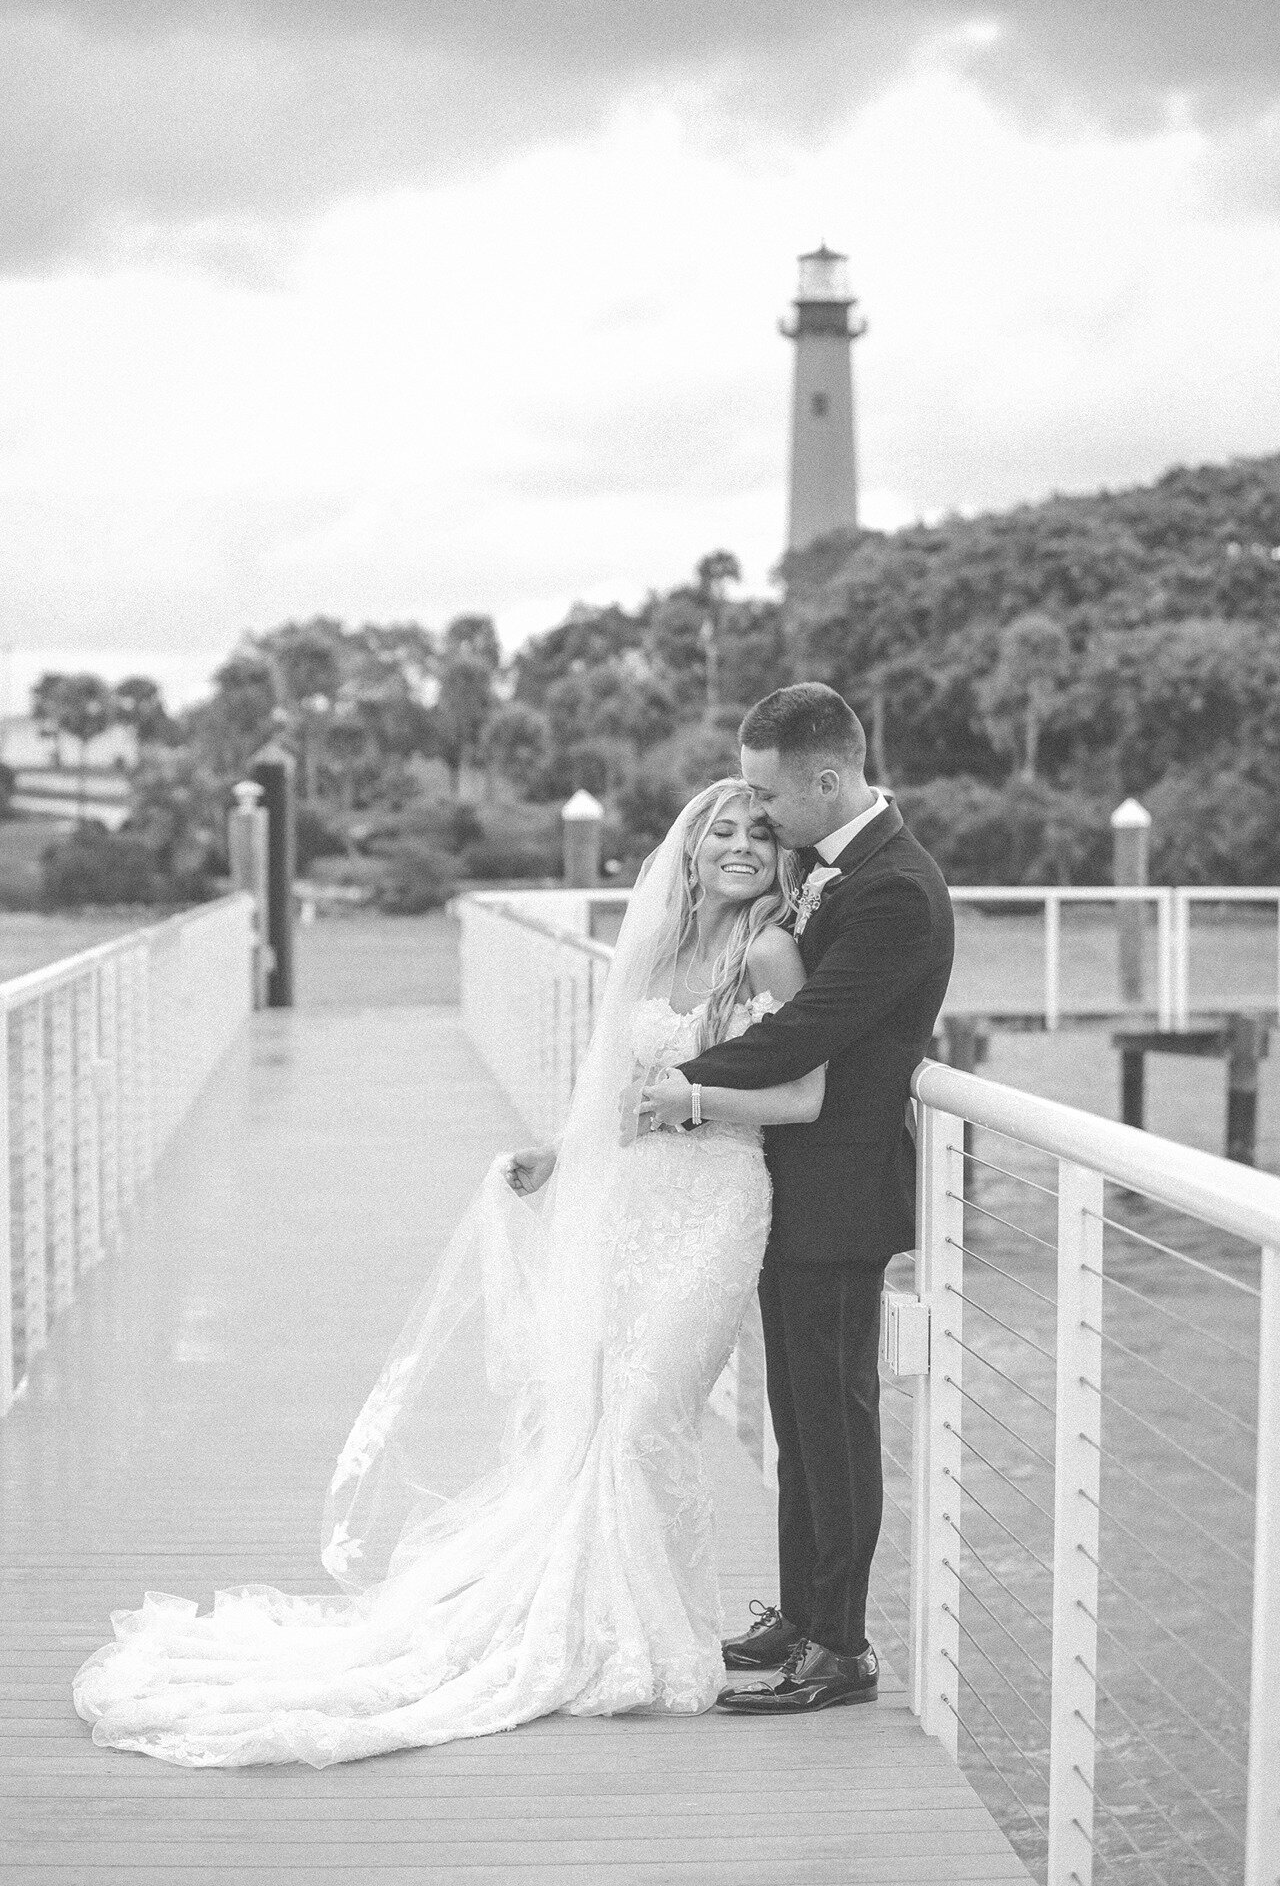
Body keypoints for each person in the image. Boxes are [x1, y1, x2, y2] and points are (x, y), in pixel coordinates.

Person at [72, 780, 826, 1767]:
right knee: (596, 1414)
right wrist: (558, 1153)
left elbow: (802, 1097)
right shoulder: (654, 953)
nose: (738, 846)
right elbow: (607, 1084)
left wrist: (690, 1101)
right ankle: (611, 1630)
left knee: (649, 1417)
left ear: (779, 857)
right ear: (685, 854)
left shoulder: (768, 954)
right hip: (629, 1198)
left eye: (759, 834)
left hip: (716, 1200)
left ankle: (654, 1637)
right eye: (717, 831)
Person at [641, 682, 954, 1715]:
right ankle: (800, 1612)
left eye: (771, 795)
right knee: (796, 1413)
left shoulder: (893, 890)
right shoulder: (831, 870)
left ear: (828, 778)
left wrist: (685, 1084)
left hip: (842, 1187)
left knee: (836, 1418)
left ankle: (842, 1648)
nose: (760, 814)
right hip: (790, 1177)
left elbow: (807, 1028)